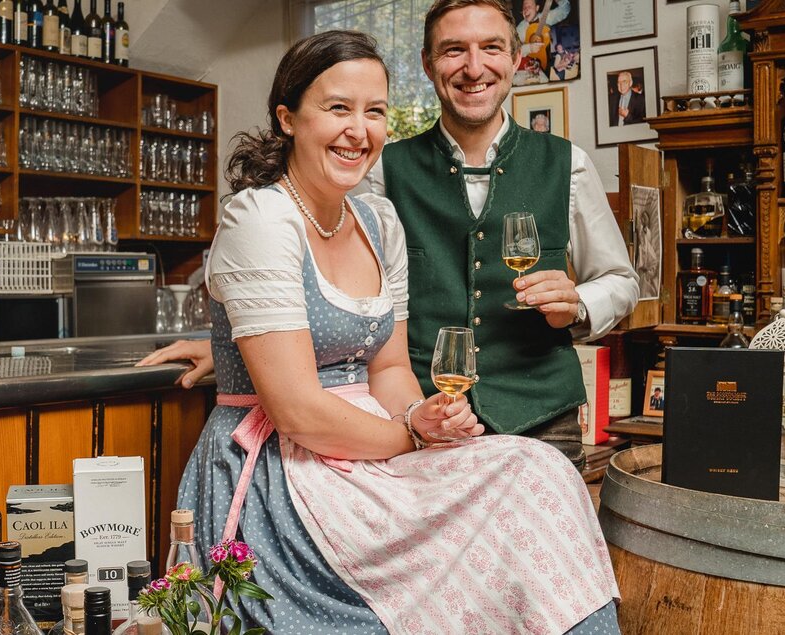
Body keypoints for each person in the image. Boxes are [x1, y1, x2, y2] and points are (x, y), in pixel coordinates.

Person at [164, 27, 620, 635]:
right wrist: (410, 434)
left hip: (372, 452)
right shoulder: (260, 218)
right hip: (287, 468)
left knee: (540, 472)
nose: (359, 130)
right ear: (287, 118)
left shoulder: (377, 220)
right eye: (338, 108)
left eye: (374, 111)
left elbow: (389, 368)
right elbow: (297, 411)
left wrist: (421, 414)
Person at [141, 0, 639, 469]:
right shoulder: (375, 170)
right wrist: (236, 348)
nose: (474, 67)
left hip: (540, 415)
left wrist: (578, 303)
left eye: (491, 48)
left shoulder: (569, 165)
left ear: (514, 58)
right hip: (413, 409)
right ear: (427, 64)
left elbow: (621, 280)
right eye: (453, 50)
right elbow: (321, 277)